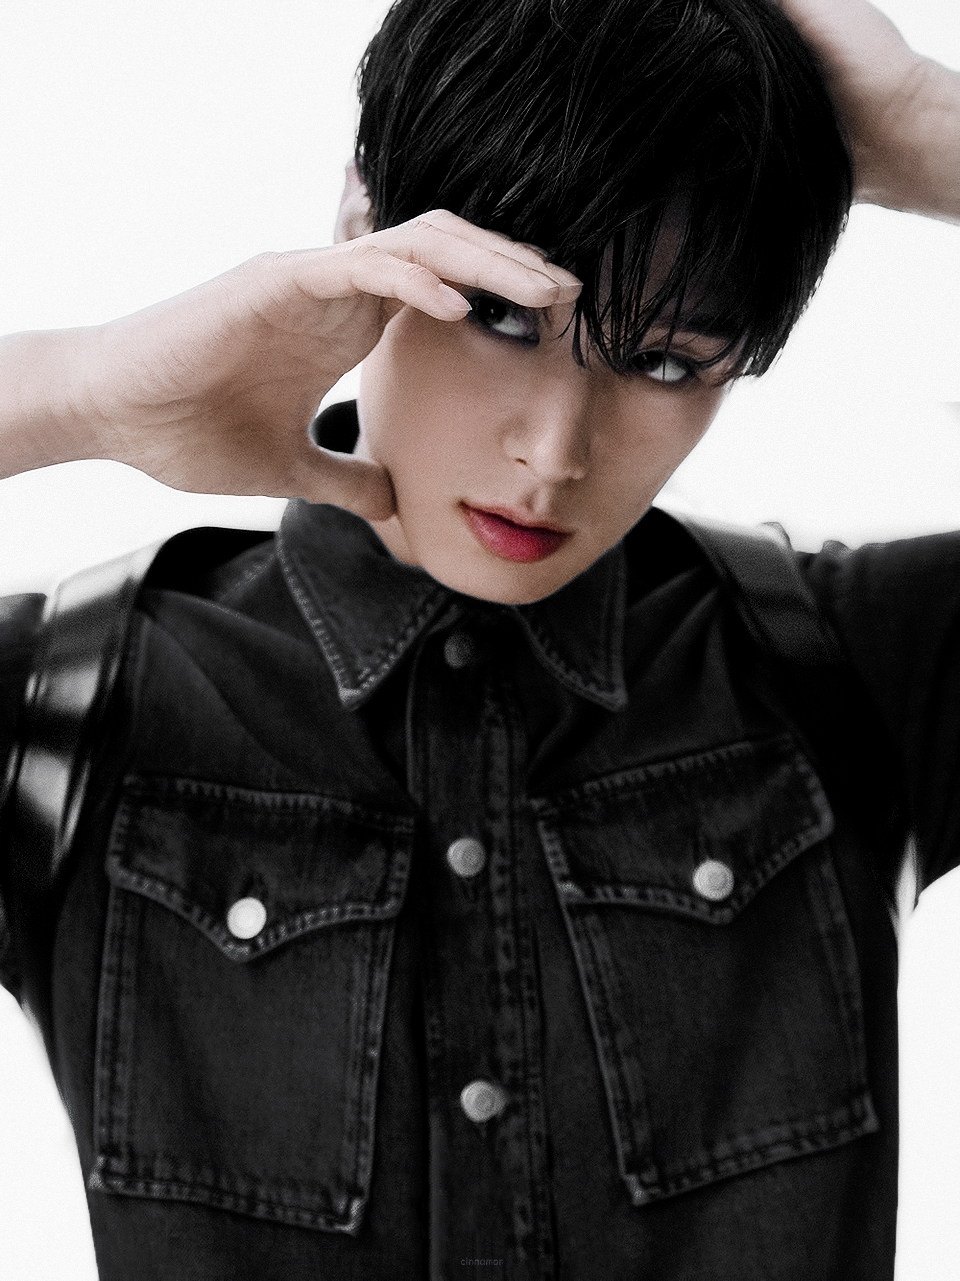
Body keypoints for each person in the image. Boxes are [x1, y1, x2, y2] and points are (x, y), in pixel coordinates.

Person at [1, 0, 958, 1276]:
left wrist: (930, 130)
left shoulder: (847, 668)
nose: (555, 454)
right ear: (364, 213)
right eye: (502, 316)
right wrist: (78, 392)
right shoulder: (71, 705)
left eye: (667, 362)